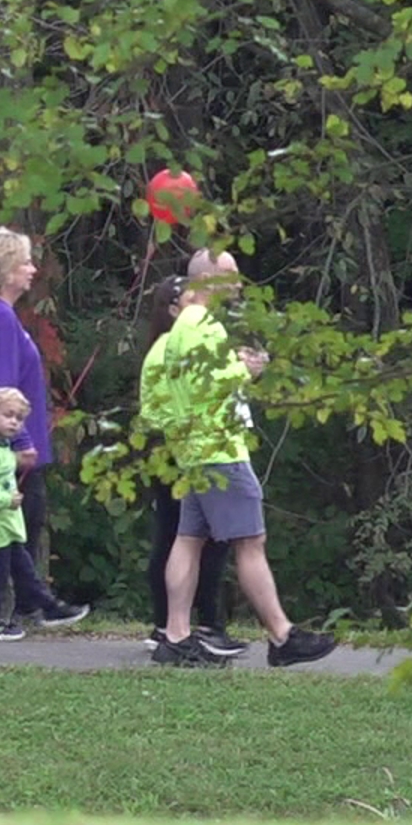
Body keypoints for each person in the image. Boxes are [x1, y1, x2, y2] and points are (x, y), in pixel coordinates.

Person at [141, 248, 336, 667]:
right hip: (217, 449)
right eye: (229, 274)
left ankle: (175, 635)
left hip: (196, 449)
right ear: (207, 278)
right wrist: (241, 370)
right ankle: (282, 635)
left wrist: (232, 364)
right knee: (251, 542)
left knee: (188, 540)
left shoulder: (188, 325)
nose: (238, 282)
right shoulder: (197, 324)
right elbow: (202, 384)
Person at [0, 227, 65, 633]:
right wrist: (20, 440)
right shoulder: (0, 318)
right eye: (24, 262)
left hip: (2, 439)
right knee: (16, 522)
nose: (32, 269)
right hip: (9, 444)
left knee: (15, 526)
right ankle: (17, 606)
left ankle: (31, 602)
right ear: (5, 270)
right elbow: (0, 387)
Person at [139, 274, 245, 657]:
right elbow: (166, 404)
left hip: (183, 445)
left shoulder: (185, 344)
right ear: (172, 308)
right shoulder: (169, 347)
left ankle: (192, 623)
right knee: (182, 537)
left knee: (193, 538)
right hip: (176, 449)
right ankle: (181, 624)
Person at [0, 388, 89, 640]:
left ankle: (49, 607)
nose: (14, 422)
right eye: (8, 415)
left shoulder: (3, 450)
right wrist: (5, 500)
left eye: (19, 418)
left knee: (25, 571)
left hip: (8, 526)